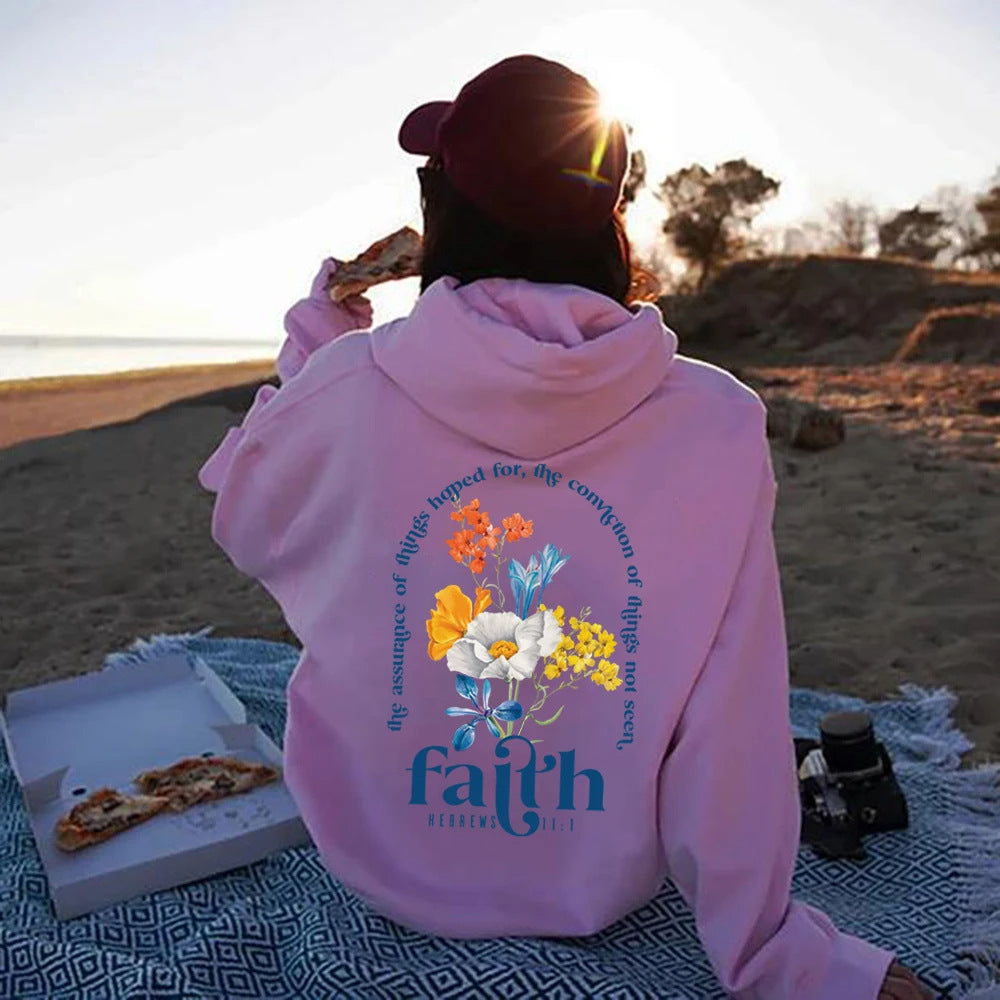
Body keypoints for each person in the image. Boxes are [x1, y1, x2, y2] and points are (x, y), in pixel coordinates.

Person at [199, 54, 934, 1000]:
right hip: (605, 881)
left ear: (445, 214)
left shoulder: (348, 387)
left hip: (376, 858)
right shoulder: (715, 420)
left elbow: (250, 517)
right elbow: (734, 705)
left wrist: (315, 349)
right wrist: (772, 951)